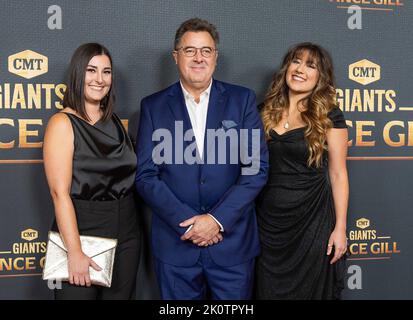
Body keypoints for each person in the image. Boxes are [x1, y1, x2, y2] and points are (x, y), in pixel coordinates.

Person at [135, 18, 268, 300]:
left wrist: (216, 220)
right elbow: (146, 176)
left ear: (215, 57)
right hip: (176, 245)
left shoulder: (242, 100)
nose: (198, 58)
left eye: (206, 51)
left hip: (232, 246)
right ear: (176, 56)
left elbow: (255, 170)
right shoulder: (153, 106)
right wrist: (191, 223)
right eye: (189, 50)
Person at [43, 43, 140, 300]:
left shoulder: (117, 123)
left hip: (127, 233)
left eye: (106, 72)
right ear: (78, 74)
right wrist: (74, 251)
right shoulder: (62, 123)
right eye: (91, 70)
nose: (100, 79)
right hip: (82, 231)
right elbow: (59, 194)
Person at [256, 42, 348, 300]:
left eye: (311, 65)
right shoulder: (263, 112)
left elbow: (339, 173)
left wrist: (340, 228)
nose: (300, 69)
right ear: (287, 67)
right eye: (296, 61)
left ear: (321, 77)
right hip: (268, 225)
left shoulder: (329, 115)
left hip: (312, 222)